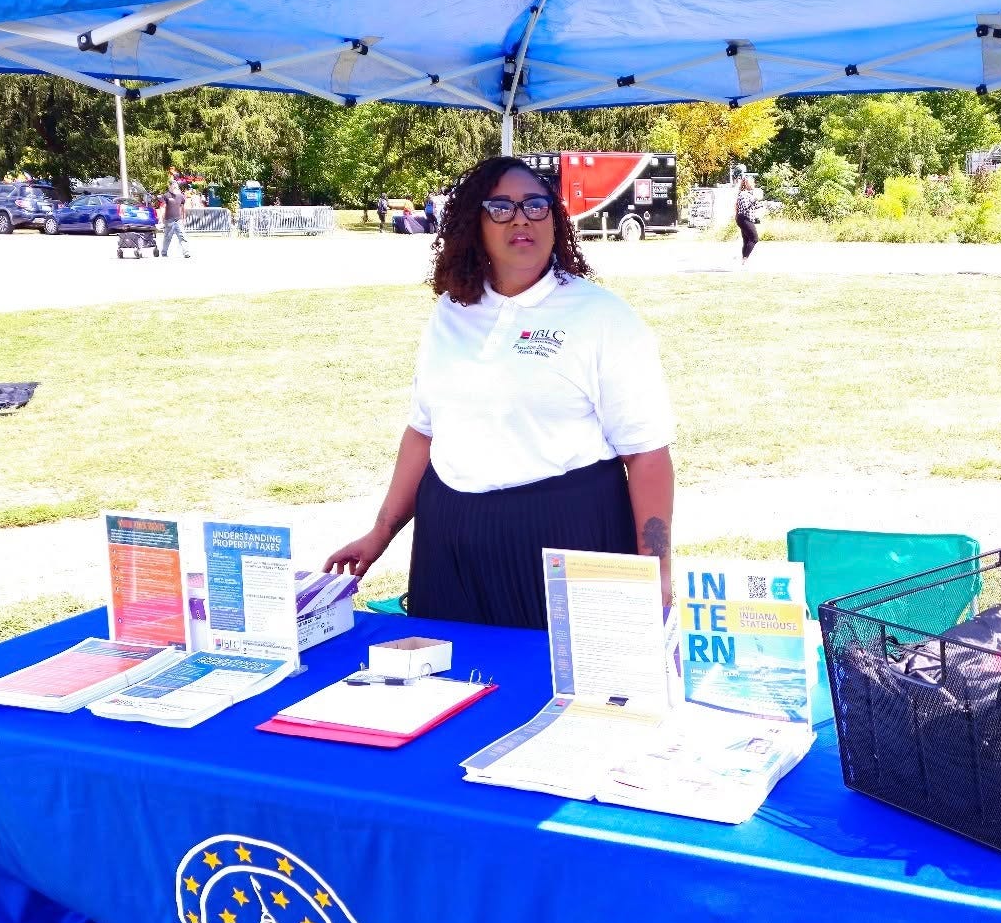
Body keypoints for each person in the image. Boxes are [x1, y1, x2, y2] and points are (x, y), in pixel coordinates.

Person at [325, 156, 676, 629]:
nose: (521, 219)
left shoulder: (602, 317)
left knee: (549, 676)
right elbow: (423, 432)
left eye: (535, 205)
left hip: (564, 538)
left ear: (554, 218)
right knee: (449, 670)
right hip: (448, 542)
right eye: (501, 208)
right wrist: (380, 532)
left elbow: (647, 455)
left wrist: (656, 571)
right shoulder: (451, 311)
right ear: (474, 225)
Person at [160, 178, 191, 260]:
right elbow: (163, 207)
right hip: (169, 219)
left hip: (178, 219)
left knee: (182, 236)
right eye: (173, 185)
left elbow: (183, 208)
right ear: (170, 186)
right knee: (167, 237)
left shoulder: (181, 196)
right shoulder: (166, 195)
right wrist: (162, 218)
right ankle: (164, 252)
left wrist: (184, 218)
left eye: (175, 185)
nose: (175, 186)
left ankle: (186, 252)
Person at [735, 173, 761, 266]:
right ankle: (745, 260)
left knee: (746, 240)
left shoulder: (748, 194)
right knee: (754, 239)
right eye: (752, 182)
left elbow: (754, 206)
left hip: (745, 218)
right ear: (747, 184)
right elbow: (745, 207)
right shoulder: (743, 194)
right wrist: (755, 199)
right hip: (744, 218)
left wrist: (760, 203)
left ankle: (743, 260)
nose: (754, 184)